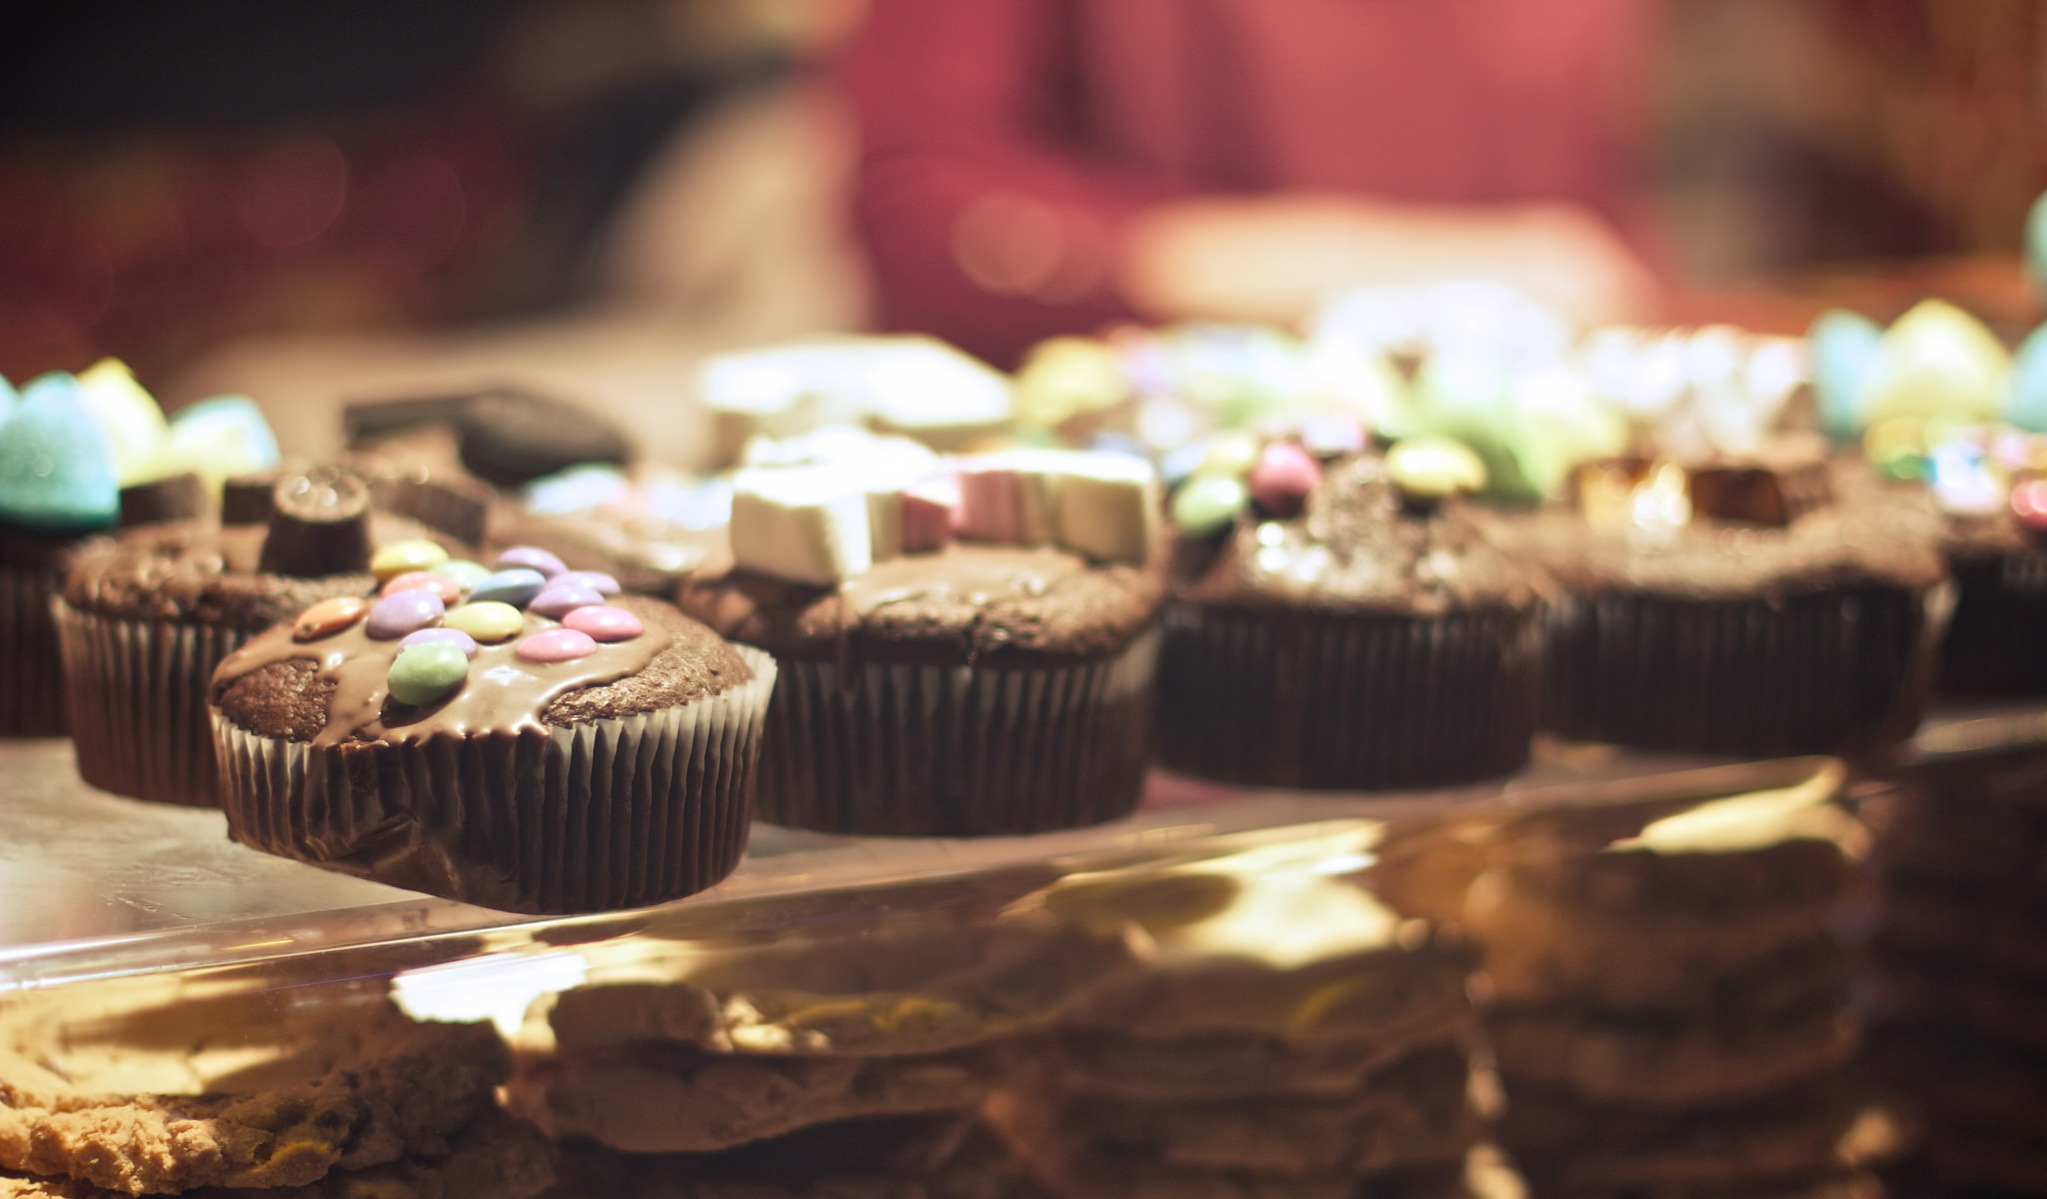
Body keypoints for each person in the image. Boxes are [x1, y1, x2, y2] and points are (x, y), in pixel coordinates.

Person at [842, 0, 1665, 367]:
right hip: (1123, 518)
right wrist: (1403, 268)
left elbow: (1593, 251)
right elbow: (931, 220)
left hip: (1508, 502)